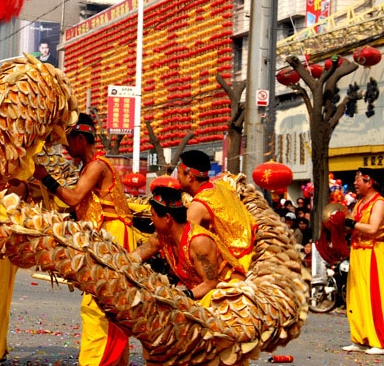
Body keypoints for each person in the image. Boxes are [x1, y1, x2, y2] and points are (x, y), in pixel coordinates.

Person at [33, 112, 134, 366]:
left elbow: (75, 198)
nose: (66, 147)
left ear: (80, 139)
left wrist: (44, 177)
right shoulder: (88, 168)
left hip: (112, 237)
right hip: (103, 238)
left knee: (100, 305)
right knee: (108, 305)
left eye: (68, 140)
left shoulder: (98, 166)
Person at [133, 184, 245, 303]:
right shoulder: (161, 236)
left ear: (167, 218)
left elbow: (211, 283)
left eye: (153, 215)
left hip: (226, 294)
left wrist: (181, 296)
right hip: (199, 294)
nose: (151, 219)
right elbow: (134, 257)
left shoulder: (199, 242)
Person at [332, 167, 384, 355]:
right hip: (357, 251)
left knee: (373, 295)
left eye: (358, 179)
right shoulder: (359, 203)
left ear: (369, 181)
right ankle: (360, 338)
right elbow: (352, 227)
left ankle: (379, 342)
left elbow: (373, 229)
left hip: (372, 252)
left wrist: (350, 223)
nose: (355, 183)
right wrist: (336, 222)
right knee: (356, 295)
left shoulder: (379, 203)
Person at [176, 150, 256, 271]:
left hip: (236, 265)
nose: (177, 178)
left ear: (190, 177)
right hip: (251, 253)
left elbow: (183, 243)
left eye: (179, 173)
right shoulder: (221, 188)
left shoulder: (199, 205)